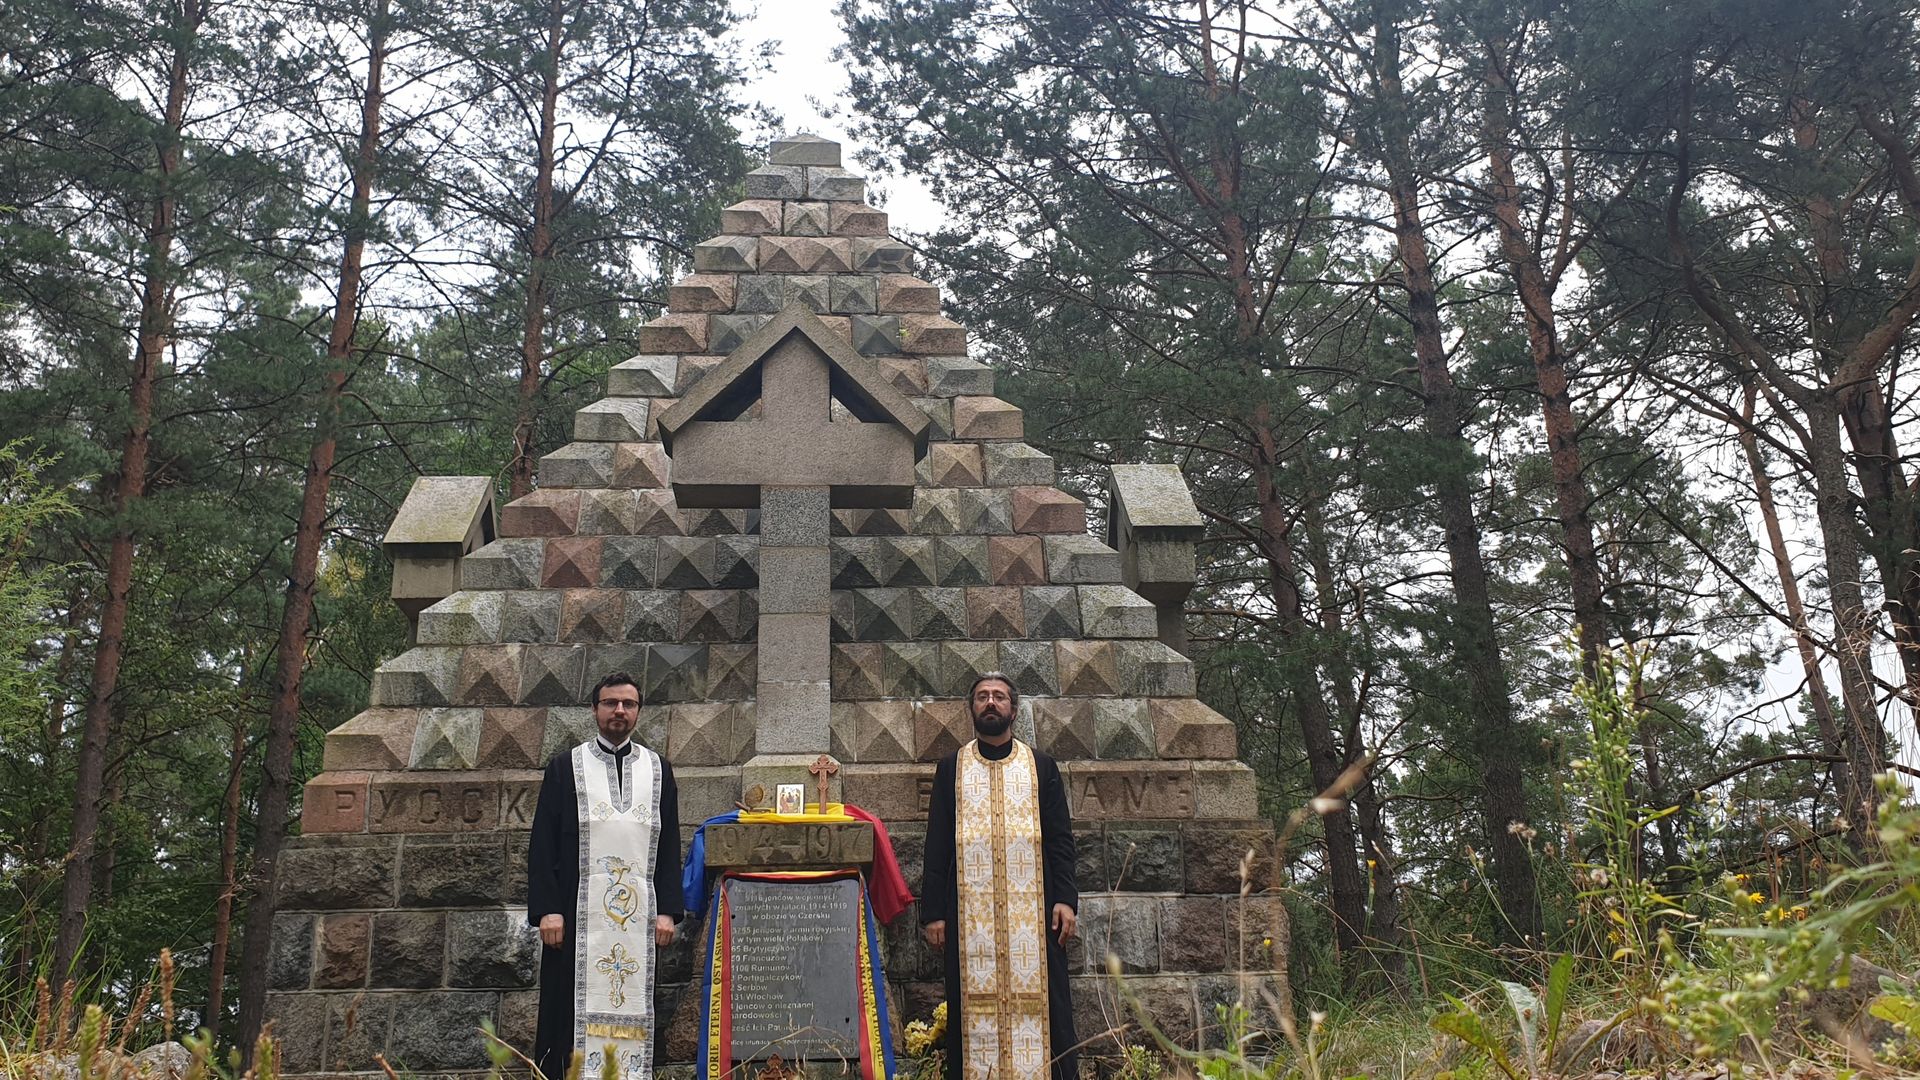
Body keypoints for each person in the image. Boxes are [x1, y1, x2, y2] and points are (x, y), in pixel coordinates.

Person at [920, 673, 1078, 1080]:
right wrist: (933, 912)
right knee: (969, 1009)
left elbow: (1060, 838)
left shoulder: (1040, 766)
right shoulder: (951, 768)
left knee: (1050, 1006)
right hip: (969, 919)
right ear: (971, 707)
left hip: (1038, 914)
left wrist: (1066, 899)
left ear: (1014, 708)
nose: (991, 703)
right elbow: (936, 842)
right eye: (982, 697)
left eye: (999, 697)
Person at [528, 672, 683, 1080]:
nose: (619, 711)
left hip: (638, 920)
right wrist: (547, 910)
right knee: (565, 1010)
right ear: (595, 709)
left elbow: (669, 845)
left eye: (628, 704)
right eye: (611, 703)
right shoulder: (565, 767)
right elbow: (542, 842)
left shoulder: (658, 770)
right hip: (573, 914)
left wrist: (667, 910)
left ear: (638, 712)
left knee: (636, 1000)